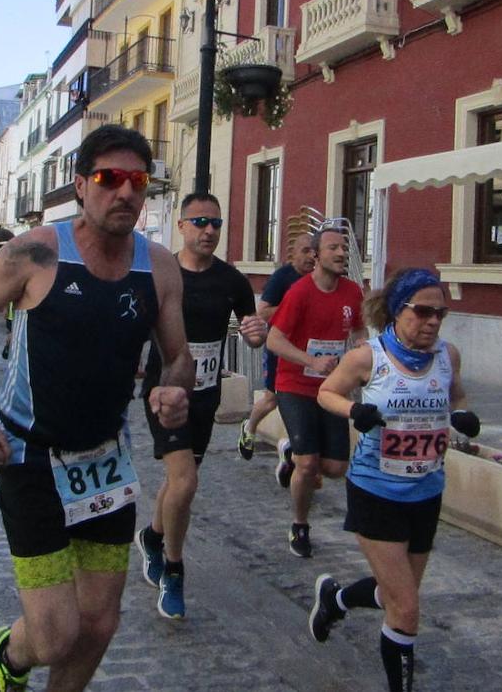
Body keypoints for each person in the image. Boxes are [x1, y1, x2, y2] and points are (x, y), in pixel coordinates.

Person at [0, 125, 192, 692]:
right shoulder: (38, 251)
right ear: (81, 185)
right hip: (30, 461)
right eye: (108, 179)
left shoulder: (159, 267)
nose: (125, 192)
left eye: (137, 180)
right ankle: (10, 655)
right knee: (54, 635)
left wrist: (173, 389)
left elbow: (178, 358)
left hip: (106, 463)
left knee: (99, 624)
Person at [307, 268, 481, 692]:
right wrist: (354, 412)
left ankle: (337, 599)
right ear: (397, 310)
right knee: (406, 608)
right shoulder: (368, 357)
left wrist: (461, 416)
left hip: (426, 490)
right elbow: (326, 392)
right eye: (423, 312)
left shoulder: (447, 356)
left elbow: (455, 394)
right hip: (375, 490)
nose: (433, 322)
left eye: (440, 313)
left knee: (394, 596)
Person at [136, 192, 266, 619]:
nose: (209, 230)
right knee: (185, 482)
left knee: (179, 482)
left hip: (205, 395)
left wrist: (255, 332)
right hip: (164, 392)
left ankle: (153, 537)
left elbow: (252, 333)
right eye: (200, 222)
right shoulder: (161, 272)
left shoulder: (231, 280)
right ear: (182, 225)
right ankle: (174, 570)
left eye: (216, 223)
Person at [265, 227, 366, 558]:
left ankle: (291, 452)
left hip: (331, 388)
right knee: (308, 464)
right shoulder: (299, 292)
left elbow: (359, 329)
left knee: (335, 468)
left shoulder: (352, 292)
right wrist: (311, 360)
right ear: (317, 255)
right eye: (333, 248)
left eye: (344, 248)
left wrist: (362, 348)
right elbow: (274, 340)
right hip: (294, 384)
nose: (340, 254)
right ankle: (299, 524)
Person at [239, 234, 316, 460]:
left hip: (307, 350)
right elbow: (262, 311)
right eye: (305, 251)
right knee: (272, 399)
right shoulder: (283, 277)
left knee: (306, 399)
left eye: (314, 251)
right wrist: (293, 308)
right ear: (293, 254)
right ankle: (250, 427)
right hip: (279, 348)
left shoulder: (318, 278)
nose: (311, 256)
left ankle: (293, 447)